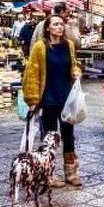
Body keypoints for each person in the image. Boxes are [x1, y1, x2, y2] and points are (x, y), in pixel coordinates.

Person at [22, 12, 82, 187]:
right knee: (49, 137)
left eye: (61, 24)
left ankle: (71, 173)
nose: (59, 27)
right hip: (48, 99)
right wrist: (32, 99)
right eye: (55, 24)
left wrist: (76, 71)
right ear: (47, 28)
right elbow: (31, 73)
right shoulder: (40, 47)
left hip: (66, 98)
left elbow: (73, 64)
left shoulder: (69, 45)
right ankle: (49, 173)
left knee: (69, 135)